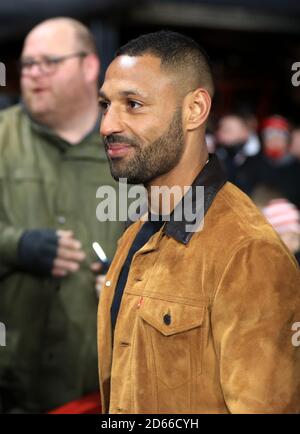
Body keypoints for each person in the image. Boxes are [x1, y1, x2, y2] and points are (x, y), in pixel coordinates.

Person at [97, 30, 300, 414]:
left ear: (194, 110)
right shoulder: (135, 234)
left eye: (134, 104)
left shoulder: (249, 254)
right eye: (105, 105)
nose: (108, 125)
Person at [0, 17, 124, 413]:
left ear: (89, 66)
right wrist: (17, 246)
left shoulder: (128, 147)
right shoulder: (3, 137)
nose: (33, 74)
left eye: (48, 62)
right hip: (12, 382)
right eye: (27, 64)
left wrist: (131, 273)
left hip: (101, 385)